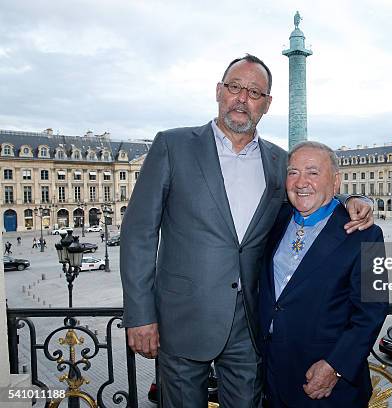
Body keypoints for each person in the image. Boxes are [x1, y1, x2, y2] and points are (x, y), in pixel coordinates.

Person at [120, 54, 373, 408]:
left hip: (250, 327)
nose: (242, 98)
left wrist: (354, 199)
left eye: (254, 92)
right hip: (182, 322)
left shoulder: (278, 161)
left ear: (266, 104)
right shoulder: (172, 146)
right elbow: (138, 234)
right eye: (235, 87)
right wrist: (140, 315)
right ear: (219, 91)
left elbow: (309, 187)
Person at [259, 142, 388, 407]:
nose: (301, 182)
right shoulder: (275, 218)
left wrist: (335, 366)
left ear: (336, 181)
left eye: (313, 172)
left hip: (326, 383)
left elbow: (372, 310)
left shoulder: (368, 235)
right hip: (270, 375)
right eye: (293, 172)